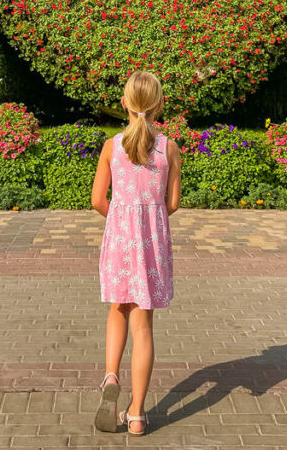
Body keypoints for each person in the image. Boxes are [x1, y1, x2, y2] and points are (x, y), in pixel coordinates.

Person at [91, 71, 181, 436]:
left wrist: (120, 217)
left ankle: (111, 374)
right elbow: (172, 202)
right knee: (142, 324)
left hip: (119, 239)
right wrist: (150, 215)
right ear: (159, 105)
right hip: (152, 243)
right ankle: (138, 415)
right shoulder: (168, 148)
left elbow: (98, 199)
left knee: (117, 307)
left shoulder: (112, 146)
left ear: (124, 103)